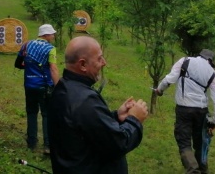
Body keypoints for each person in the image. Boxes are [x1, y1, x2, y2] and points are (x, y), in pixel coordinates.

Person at [48, 36, 148, 174]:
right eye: (99, 58)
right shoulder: (85, 101)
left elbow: (87, 127)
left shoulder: (63, 88)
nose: (104, 63)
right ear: (83, 65)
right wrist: (134, 119)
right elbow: (118, 144)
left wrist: (115, 116)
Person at [155, 49, 215, 174]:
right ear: (210, 61)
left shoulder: (184, 61)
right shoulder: (212, 73)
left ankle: (193, 170)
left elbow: (169, 79)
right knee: (200, 142)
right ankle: (202, 169)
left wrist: (159, 90)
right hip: (202, 111)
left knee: (184, 141)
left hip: (184, 109)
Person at [24, 24, 60, 154]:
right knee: (46, 114)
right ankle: (48, 146)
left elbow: (21, 62)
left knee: (31, 113)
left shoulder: (27, 45)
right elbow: (53, 68)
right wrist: (57, 86)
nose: (53, 36)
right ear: (46, 35)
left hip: (29, 85)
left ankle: (32, 143)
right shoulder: (50, 48)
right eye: (52, 34)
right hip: (44, 86)